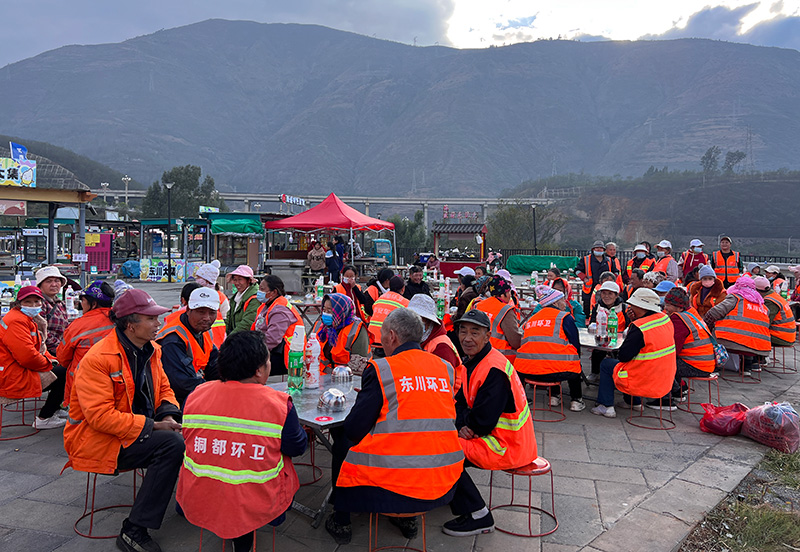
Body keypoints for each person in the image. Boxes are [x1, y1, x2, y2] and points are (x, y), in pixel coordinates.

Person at [326, 308, 463, 545]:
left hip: (396, 483)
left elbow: (354, 429)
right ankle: (407, 521)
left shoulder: (383, 369)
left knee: (342, 442)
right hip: (444, 478)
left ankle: (341, 520)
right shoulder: (444, 368)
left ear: (392, 336)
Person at [63, 289, 184, 552]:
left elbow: (165, 389)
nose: (158, 323)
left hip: (131, 430)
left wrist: (169, 415)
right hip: (96, 440)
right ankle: (133, 530)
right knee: (172, 445)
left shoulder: (151, 349)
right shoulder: (98, 359)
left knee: (182, 431)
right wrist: (153, 425)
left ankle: (186, 504)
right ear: (130, 324)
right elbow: (99, 417)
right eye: (151, 319)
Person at [177, 331, 306, 552]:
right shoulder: (278, 404)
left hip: (199, 494)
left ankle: (233, 532)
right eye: (267, 361)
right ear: (258, 371)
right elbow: (297, 447)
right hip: (261, 501)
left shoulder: (196, 394)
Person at [444, 309, 536, 537]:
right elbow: (461, 405)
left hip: (506, 446)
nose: (467, 338)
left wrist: (465, 422)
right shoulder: (474, 362)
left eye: (475, 332)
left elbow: (481, 422)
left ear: (488, 335)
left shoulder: (493, 369)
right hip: (495, 438)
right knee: (442, 439)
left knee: (443, 449)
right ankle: (450, 494)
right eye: (462, 331)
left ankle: (478, 515)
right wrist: (464, 421)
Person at [591, 288, 676, 417]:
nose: (630, 308)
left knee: (607, 364)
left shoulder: (640, 326)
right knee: (631, 365)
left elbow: (624, 356)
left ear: (642, 307)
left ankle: (606, 405)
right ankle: (634, 402)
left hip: (644, 378)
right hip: (665, 376)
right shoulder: (664, 319)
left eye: (633, 305)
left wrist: (634, 323)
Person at [0, 286, 67, 429]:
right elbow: (27, 357)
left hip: (17, 368)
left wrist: (54, 360)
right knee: (64, 374)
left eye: (37, 302)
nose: (33, 305)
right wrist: (50, 364)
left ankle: (53, 408)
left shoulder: (27, 318)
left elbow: (39, 350)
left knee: (63, 367)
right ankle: (45, 417)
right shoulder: (17, 321)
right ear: (19, 303)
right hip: (13, 374)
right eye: (28, 302)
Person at [515, 286, 584, 411]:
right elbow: (575, 344)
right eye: (563, 300)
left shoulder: (531, 319)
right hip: (557, 373)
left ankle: (554, 396)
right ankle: (576, 400)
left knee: (550, 355)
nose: (565, 303)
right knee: (573, 361)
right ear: (555, 303)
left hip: (527, 371)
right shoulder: (564, 317)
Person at [156, 287, 220, 407]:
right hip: (176, 402)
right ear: (189, 310)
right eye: (201, 312)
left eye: (212, 312)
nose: (207, 317)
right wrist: (217, 389)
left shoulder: (203, 330)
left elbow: (215, 364)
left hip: (196, 392)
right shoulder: (173, 340)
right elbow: (181, 384)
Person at [57, 280, 116, 408]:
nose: (80, 304)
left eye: (83, 301)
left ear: (93, 304)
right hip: (117, 382)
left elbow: (63, 358)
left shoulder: (77, 326)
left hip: (82, 384)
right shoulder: (121, 320)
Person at [703, 276, 770, 376]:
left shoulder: (736, 298)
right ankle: (747, 367)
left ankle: (715, 366)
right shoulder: (763, 306)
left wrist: (705, 326)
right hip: (759, 348)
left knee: (713, 335)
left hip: (731, 342)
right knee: (749, 336)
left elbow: (713, 313)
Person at [663, 287, 716, 403]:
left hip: (696, 365)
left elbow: (673, 349)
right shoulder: (692, 313)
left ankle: (666, 400)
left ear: (679, 307)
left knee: (660, 362)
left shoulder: (678, 318)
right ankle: (679, 389)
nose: (665, 308)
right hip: (707, 363)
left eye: (668, 305)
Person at [252, 275, 304, 376]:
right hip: (268, 349)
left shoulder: (280, 311)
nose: (259, 292)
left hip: (284, 356)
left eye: (262, 289)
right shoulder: (267, 305)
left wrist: (253, 351)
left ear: (274, 292)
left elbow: (272, 340)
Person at [310, 293, 370, 372]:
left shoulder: (356, 330)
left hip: (346, 378)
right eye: (324, 310)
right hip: (319, 376)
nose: (325, 314)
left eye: (329, 311)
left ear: (341, 311)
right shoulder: (320, 327)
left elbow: (359, 368)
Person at [472, 275, 522, 364]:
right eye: (509, 292)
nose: (510, 296)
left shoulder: (478, 305)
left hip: (478, 352)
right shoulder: (505, 310)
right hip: (501, 358)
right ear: (503, 294)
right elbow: (515, 342)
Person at [587, 281, 627, 383]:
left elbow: (628, 325)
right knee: (597, 351)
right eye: (604, 293)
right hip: (602, 338)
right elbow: (592, 322)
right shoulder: (597, 307)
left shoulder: (624, 308)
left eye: (610, 294)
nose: (606, 296)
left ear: (616, 295)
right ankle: (595, 372)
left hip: (619, 341)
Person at [407, 294, 461, 369]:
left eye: (417, 319)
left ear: (428, 321)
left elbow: (446, 378)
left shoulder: (441, 347)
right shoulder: (421, 339)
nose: (412, 323)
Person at [368, 276, 409, 352]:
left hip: (370, 338)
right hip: (387, 341)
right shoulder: (405, 303)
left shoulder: (380, 298)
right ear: (403, 289)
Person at [754, 276, 797, 347]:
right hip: (786, 335)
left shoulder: (770, 301)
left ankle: (758, 357)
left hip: (781, 337)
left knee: (750, 335)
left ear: (757, 290)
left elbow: (764, 322)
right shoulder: (774, 296)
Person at [35, 266, 69, 356]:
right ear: (40, 285)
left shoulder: (60, 303)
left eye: (57, 281)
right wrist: (60, 349)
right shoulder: (39, 303)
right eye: (49, 281)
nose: (54, 284)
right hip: (48, 353)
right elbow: (42, 332)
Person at [576, 240, 613, 316]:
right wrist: (584, 278)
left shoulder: (609, 260)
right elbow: (577, 271)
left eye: (601, 248)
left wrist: (612, 279)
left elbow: (616, 271)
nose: (599, 250)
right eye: (597, 248)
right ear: (593, 249)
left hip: (605, 288)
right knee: (588, 306)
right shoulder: (586, 259)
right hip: (589, 288)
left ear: (604, 250)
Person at [225, 265, 260, 335]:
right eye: (235, 280)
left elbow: (247, 323)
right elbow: (228, 319)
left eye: (240, 279)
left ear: (249, 280)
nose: (237, 283)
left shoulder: (255, 298)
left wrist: (230, 338)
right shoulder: (235, 298)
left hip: (247, 339)